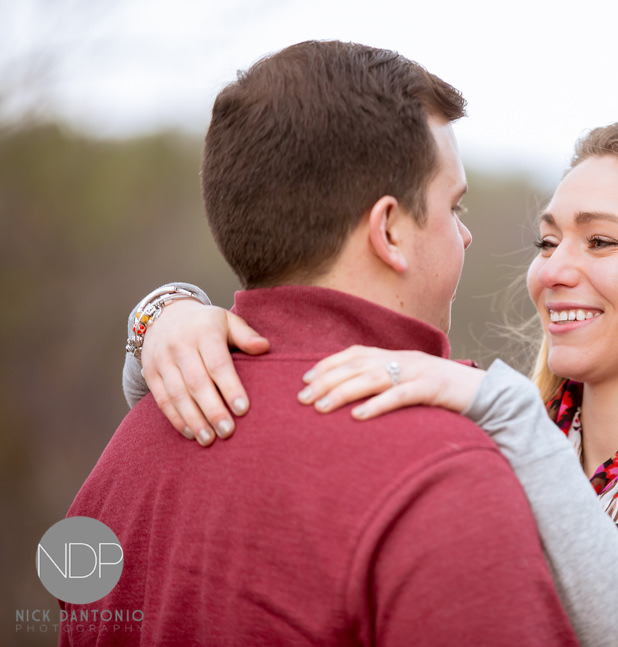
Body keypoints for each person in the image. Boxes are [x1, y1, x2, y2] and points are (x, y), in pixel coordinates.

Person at [128, 123, 618, 646]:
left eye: (601, 242)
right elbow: (241, 427)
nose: (553, 271)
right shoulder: (485, 437)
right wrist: (166, 318)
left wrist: (506, 413)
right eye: (549, 241)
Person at [62, 40, 579, 646]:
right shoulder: (442, 474)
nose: (463, 236)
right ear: (388, 229)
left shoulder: (128, 454)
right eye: (453, 206)